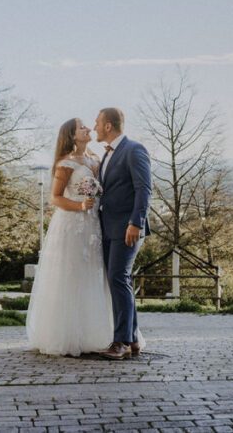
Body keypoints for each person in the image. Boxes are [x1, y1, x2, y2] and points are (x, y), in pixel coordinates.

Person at [25, 118, 113, 356]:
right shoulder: (65, 163)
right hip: (73, 223)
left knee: (93, 273)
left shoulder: (96, 158)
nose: (87, 129)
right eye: (82, 127)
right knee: (72, 273)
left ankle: (95, 332)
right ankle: (68, 334)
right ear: (72, 136)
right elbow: (54, 198)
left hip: (94, 224)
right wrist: (81, 205)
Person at [94, 107, 151, 360]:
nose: (95, 127)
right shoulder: (106, 156)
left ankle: (121, 342)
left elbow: (144, 188)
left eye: (97, 123)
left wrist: (136, 223)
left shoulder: (134, 149)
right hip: (107, 228)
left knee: (118, 277)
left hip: (127, 228)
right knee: (120, 281)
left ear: (108, 126)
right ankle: (133, 339)